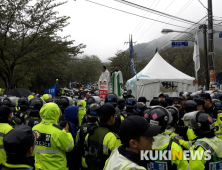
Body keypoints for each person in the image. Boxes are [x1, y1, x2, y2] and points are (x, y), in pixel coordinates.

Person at [32, 103, 74, 170]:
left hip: (39, 167)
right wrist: (67, 132)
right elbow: (68, 147)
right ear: (57, 114)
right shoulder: (58, 131)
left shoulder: (34, 128)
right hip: (56, 167)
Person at [84, 104, 121, 170]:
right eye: (114, 116)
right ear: (111, 118)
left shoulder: (90, 133)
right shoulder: (112, 138)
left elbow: (86, 154)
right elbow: (118, 163)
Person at [75, 103, 100, 170]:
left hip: (84, 160)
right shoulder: (100, 129)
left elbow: (77, 143)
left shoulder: (81, 128)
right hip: (97, 161)